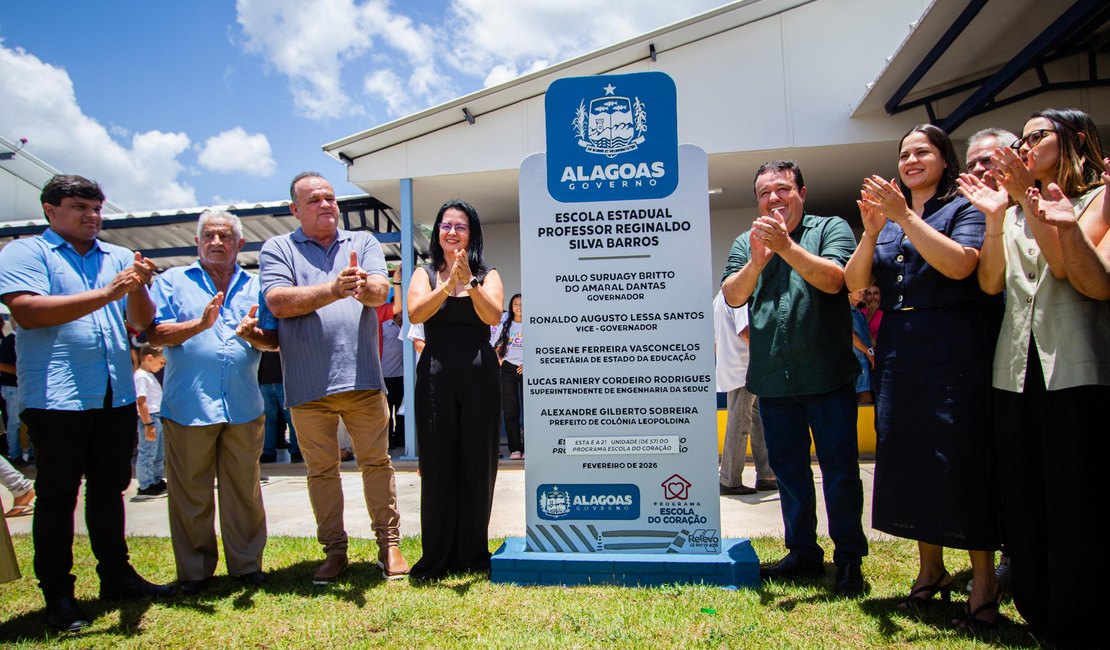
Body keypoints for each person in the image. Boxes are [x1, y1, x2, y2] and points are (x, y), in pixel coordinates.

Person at [959, 108, 1108, 646]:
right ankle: (1038, 610)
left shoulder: (1095, 200)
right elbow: (992, 283)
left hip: (1075, 366)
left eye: (1036, 136)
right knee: (1024, 495)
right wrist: (999, 216)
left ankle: (1079, 613)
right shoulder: (1016, 210)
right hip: (1014, 370)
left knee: (1074, 497)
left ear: (1074, 139)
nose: (1024, 145)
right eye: (1019, 139)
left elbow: (1071, 271)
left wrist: (1027, 199)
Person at [0, 174, 173, 632]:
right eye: (80, 206)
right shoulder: (25, 252)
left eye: (97, 207)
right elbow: (27, 311)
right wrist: (108, 293)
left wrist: (136, 287)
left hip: (112, 392)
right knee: (57, 495)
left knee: (109, 487)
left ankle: (115, 574)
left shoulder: (118, 257)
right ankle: (58, 594)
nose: (92, 216)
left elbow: (141, 323)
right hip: (56, 395)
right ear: (50, 210)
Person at [845, 124, 1000, 629]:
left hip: (952, 344)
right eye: (904, 153)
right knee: (908, 456)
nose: (911, 160)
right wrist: (871, 232)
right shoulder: (887, 222)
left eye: (922, 152)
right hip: (899, 350)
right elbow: (855, 283)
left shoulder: (964, 207)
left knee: (959, 457)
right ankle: (929, 572)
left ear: (943, 158)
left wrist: (905, 216)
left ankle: (983, 582)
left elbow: (960, 267)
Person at [721, 160, 866, 596]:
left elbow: (835, 281)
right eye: (764, 193)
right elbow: (733, 295)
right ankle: (802, 553)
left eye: (782, 189)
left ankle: (848, 562)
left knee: (840, 473)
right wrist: (758, 261)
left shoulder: (831, 229)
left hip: (828, 375)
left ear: (802, 190)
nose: (774, 199)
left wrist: (786, 248)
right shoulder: (747, 241)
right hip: (772, 379)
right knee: (788, 472)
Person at [260, 172, 408, 584]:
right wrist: (335, 289)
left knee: (377, 463)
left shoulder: (361, 243)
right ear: (295, 210)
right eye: (314, 200)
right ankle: (334, 551)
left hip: (363, 379)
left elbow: (381, 290)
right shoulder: (279, 248)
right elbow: (278, 300)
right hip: (308, 387)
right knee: (321, 471)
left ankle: (389, 544)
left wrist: (365, 288)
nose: (326, 205)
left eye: (330, 198)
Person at [147, 209, 274, 594]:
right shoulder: (171, 282)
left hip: (242, 404)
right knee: (190, 493)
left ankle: (247, 566)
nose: (216, 242)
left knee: (244, 491)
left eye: (224, 236)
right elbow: (154, 334)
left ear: (240, 244)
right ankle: (195, 572)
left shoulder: (258, 287)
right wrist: (199, 326)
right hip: (189, 404)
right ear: (198, 242)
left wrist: (255, 335)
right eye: (209, 236)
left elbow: (274, 341)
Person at [406, 199, 504, 581]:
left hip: (479, 373)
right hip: (436, 373)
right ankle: (438, 555)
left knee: (478, 462)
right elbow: (416, 314)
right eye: (445, 225)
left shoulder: (487, 273)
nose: (451, 232)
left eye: (460, 226)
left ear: (472, 233)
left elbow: (493, 315)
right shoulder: (423, 273)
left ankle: (472, 553)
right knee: (438, 463)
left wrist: (471, 282)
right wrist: (448, 285)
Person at [713, 290, 775, 495]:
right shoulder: (738, 297)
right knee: (741, 422)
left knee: (758, 421)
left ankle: (766, 474)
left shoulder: (720, 298)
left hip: (736, 368)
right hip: (744, 369)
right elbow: (746, 332)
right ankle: (729, 479)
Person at [132, 345, 166, 498]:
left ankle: (156, 481)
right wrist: (148, 424)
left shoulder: (149, 375)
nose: (162, 366)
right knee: (148, 452)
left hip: (157, 416)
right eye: (161, 362)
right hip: (150, 418)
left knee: (158, 452)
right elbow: (141, 401)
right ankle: (145, 485)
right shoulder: (140, 376)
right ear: (149, 358)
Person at [494, 293, 524, 460]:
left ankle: (529, 447)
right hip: (508, 370)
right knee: (511, 409)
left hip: (527, 370)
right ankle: (515, 449)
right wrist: (500, 360)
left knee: (529, 411)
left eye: (522, 304)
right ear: (511, 307)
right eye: (516, 304)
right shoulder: (506, 325)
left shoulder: (533, 324)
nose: (519, 307)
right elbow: (495, 346)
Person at [259, 351, 300, 463]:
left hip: (283, 381)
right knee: (269, 420)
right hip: (266, 381)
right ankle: (268, 452)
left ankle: (296, 451)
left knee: (291, 418)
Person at [0, 323, 29, 467]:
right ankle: (15, 455)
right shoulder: (10, 341)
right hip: (13, 388)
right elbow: (2, 365)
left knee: (30, 421)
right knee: (14, 423)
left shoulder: (24, 341)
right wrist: (22, 371)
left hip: (25, 387)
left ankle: (31, 454)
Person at [382, 312, 405, 450]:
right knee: (387, 411)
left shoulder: (408, 326)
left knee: (402, 410)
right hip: (386, 375)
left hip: (402, 375)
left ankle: (401, 439)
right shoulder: (384, 327)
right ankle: (388, 441)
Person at [847, 289, 874, 405]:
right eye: (858, 290)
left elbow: (869, 338)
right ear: (848, 294)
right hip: (857, 359)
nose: (863, 292)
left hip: (865, 359)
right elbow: (851, 336)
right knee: (864, 395)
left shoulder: (859, 313)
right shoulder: (845, 312)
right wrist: (868, 352)